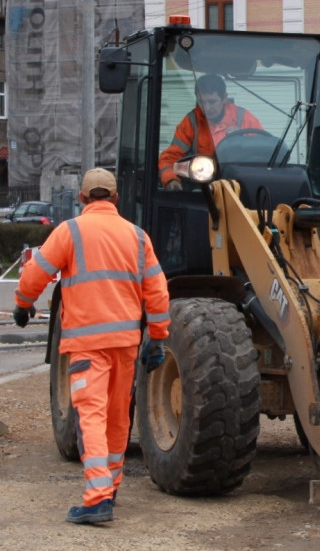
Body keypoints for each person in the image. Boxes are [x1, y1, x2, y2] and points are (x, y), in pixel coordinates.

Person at [13, 168, 171, 524]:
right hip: (126, 343)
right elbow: (158, 292)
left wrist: (23, 304)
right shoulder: (137, 236)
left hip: (87, 345)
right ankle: (110, 486)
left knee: (92, 417)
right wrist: (158, 337)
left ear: (82, 198)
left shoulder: (70, 232)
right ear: (115, 198)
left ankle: (98, 497)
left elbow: (35, 274)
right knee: (117, 416)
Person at [157, 73, 263, 190]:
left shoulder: (244, 119)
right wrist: (171, 179)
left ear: (224, 98)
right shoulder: (191, 122)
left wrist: (244, 139)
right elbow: (169, 157)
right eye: (202, 102)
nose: (207, 108)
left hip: (240, 187)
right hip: (204, 190)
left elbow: (263, 153)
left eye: (212, 102)